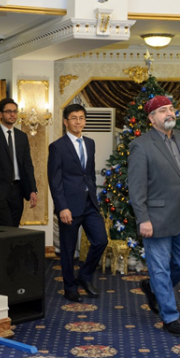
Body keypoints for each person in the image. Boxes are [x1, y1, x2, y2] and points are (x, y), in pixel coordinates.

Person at [127, 95, 180, 337]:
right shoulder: (141, 145)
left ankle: (152, 287)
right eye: (163, 110)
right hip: (157, 218)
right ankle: (170, 316)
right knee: (160, 267)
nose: (169, 113)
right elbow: (136, 187)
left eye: (171, 108)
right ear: (151, 119)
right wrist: (143, 218)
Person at [48, 104, 108, 303]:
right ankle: (70, 287)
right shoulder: (57, 146)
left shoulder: (90, 143)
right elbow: (55, 180)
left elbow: (89, 173)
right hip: (69, 206)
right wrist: (62, 207)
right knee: (67, 250)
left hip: (89, 203)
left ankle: (84, 275)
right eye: (74, 118)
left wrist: (94, 195)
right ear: (66, 122)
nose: (78, 121)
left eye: (81, 118)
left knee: (101, 240)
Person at [0, 97, 38, 227]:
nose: (12, 114)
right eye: (8, 111)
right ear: (0, 114)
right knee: (6, 227)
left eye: (14, 111)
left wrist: (32, 190)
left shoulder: (21, 136)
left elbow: (27, 165)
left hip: (18, 190)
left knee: (14, 228)